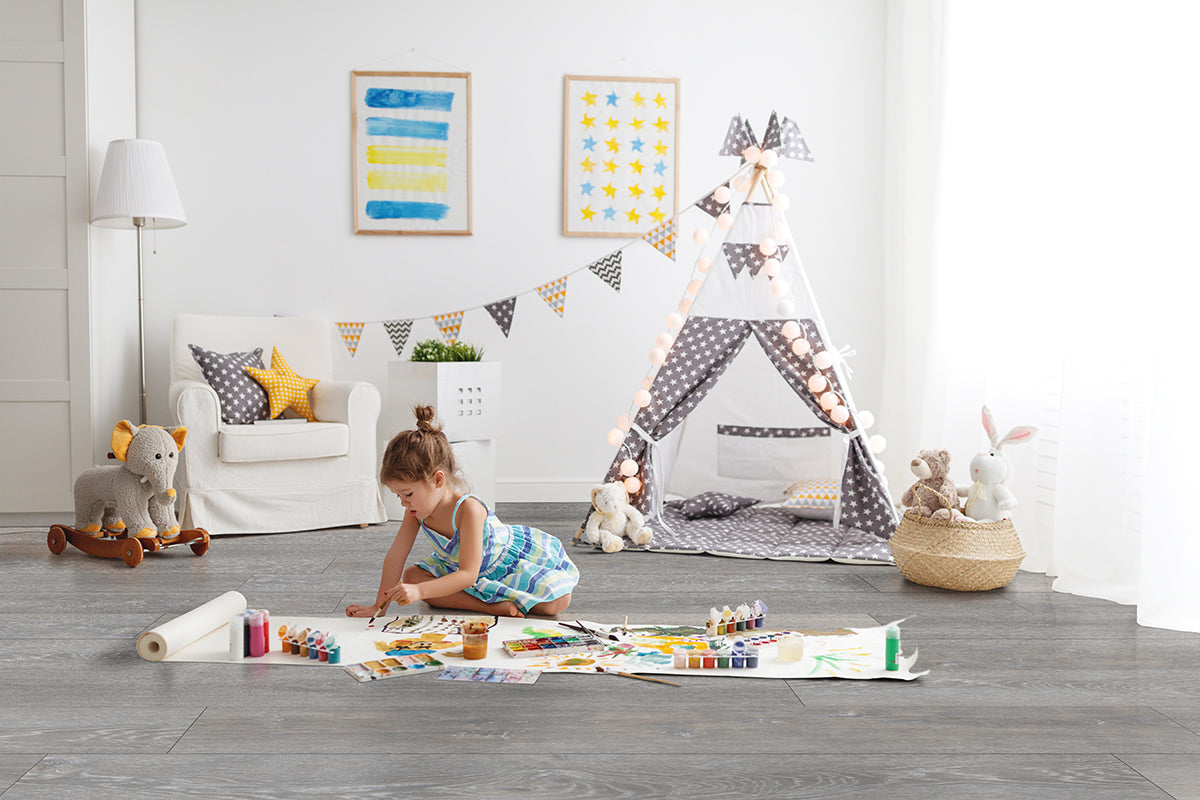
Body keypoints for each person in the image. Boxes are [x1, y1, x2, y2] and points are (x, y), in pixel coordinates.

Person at [346, 405, 579, 619]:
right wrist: (378, 607)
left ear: (438, 480)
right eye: (398, 496)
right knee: (412, 577)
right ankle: (490, 607)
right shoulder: (415, 511)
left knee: (557, 602)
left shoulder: (469, 510)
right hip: (458, 568)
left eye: (407, 494)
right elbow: (396, 556)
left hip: (495, 566)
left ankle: (495, 598)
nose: (403, 503)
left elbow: (468, 574)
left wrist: (421, 591)